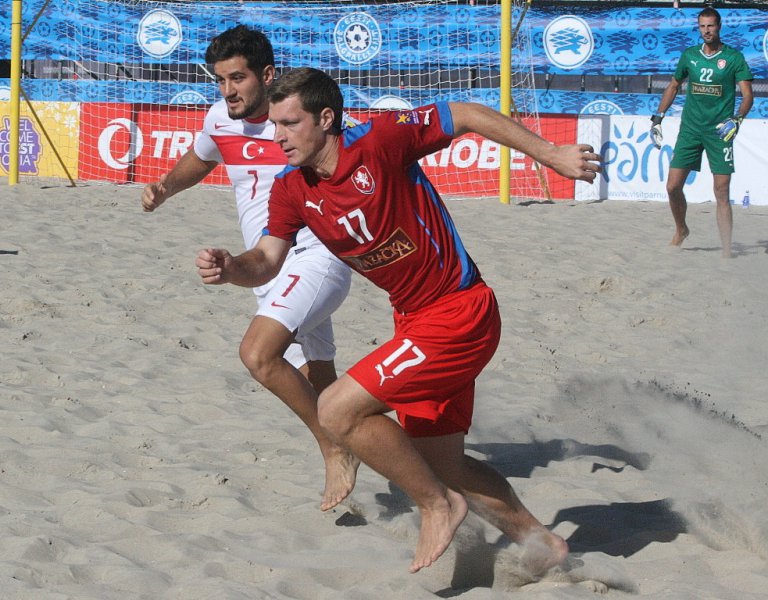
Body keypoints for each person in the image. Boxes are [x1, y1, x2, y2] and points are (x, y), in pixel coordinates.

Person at [195, 67, 601, 574]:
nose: (277, 136)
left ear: (325, 119)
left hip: (460, 312)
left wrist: (553, 155)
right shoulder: (291, 188)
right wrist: (233, 268)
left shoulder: (380, 140)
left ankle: (437, 506)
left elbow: (467, 113)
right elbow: (268, 260)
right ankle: (543, 543)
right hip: (415, 324)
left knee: (337, 412)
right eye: (274, 124)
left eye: (289, 123)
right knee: (441, 463)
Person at [142, 27, 358, 511]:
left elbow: (363, 159)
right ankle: (380, 444)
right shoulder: (221, 119)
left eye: (237, 78)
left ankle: (333, 446)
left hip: (316, 255)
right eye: (220, 80)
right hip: (266, 266)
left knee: (259, 355)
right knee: (318, 373)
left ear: (267, 74)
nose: (228, 91)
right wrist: (164, 188)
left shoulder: (300, 119)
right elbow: (201, 159)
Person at [649, 6, 753, 258]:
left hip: (720, 132)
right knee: (673, 186)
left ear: (719, 27)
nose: (707, 30)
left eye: (711, 26)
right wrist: (657, 118)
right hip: (691, 130)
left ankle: (727, 253)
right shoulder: (689, 56)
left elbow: (748, 95)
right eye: (702, 26)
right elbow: (673, 86)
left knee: (721, 191)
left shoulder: (733, 57)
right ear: (699, 28)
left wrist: (737, 119)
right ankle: (682, 229)